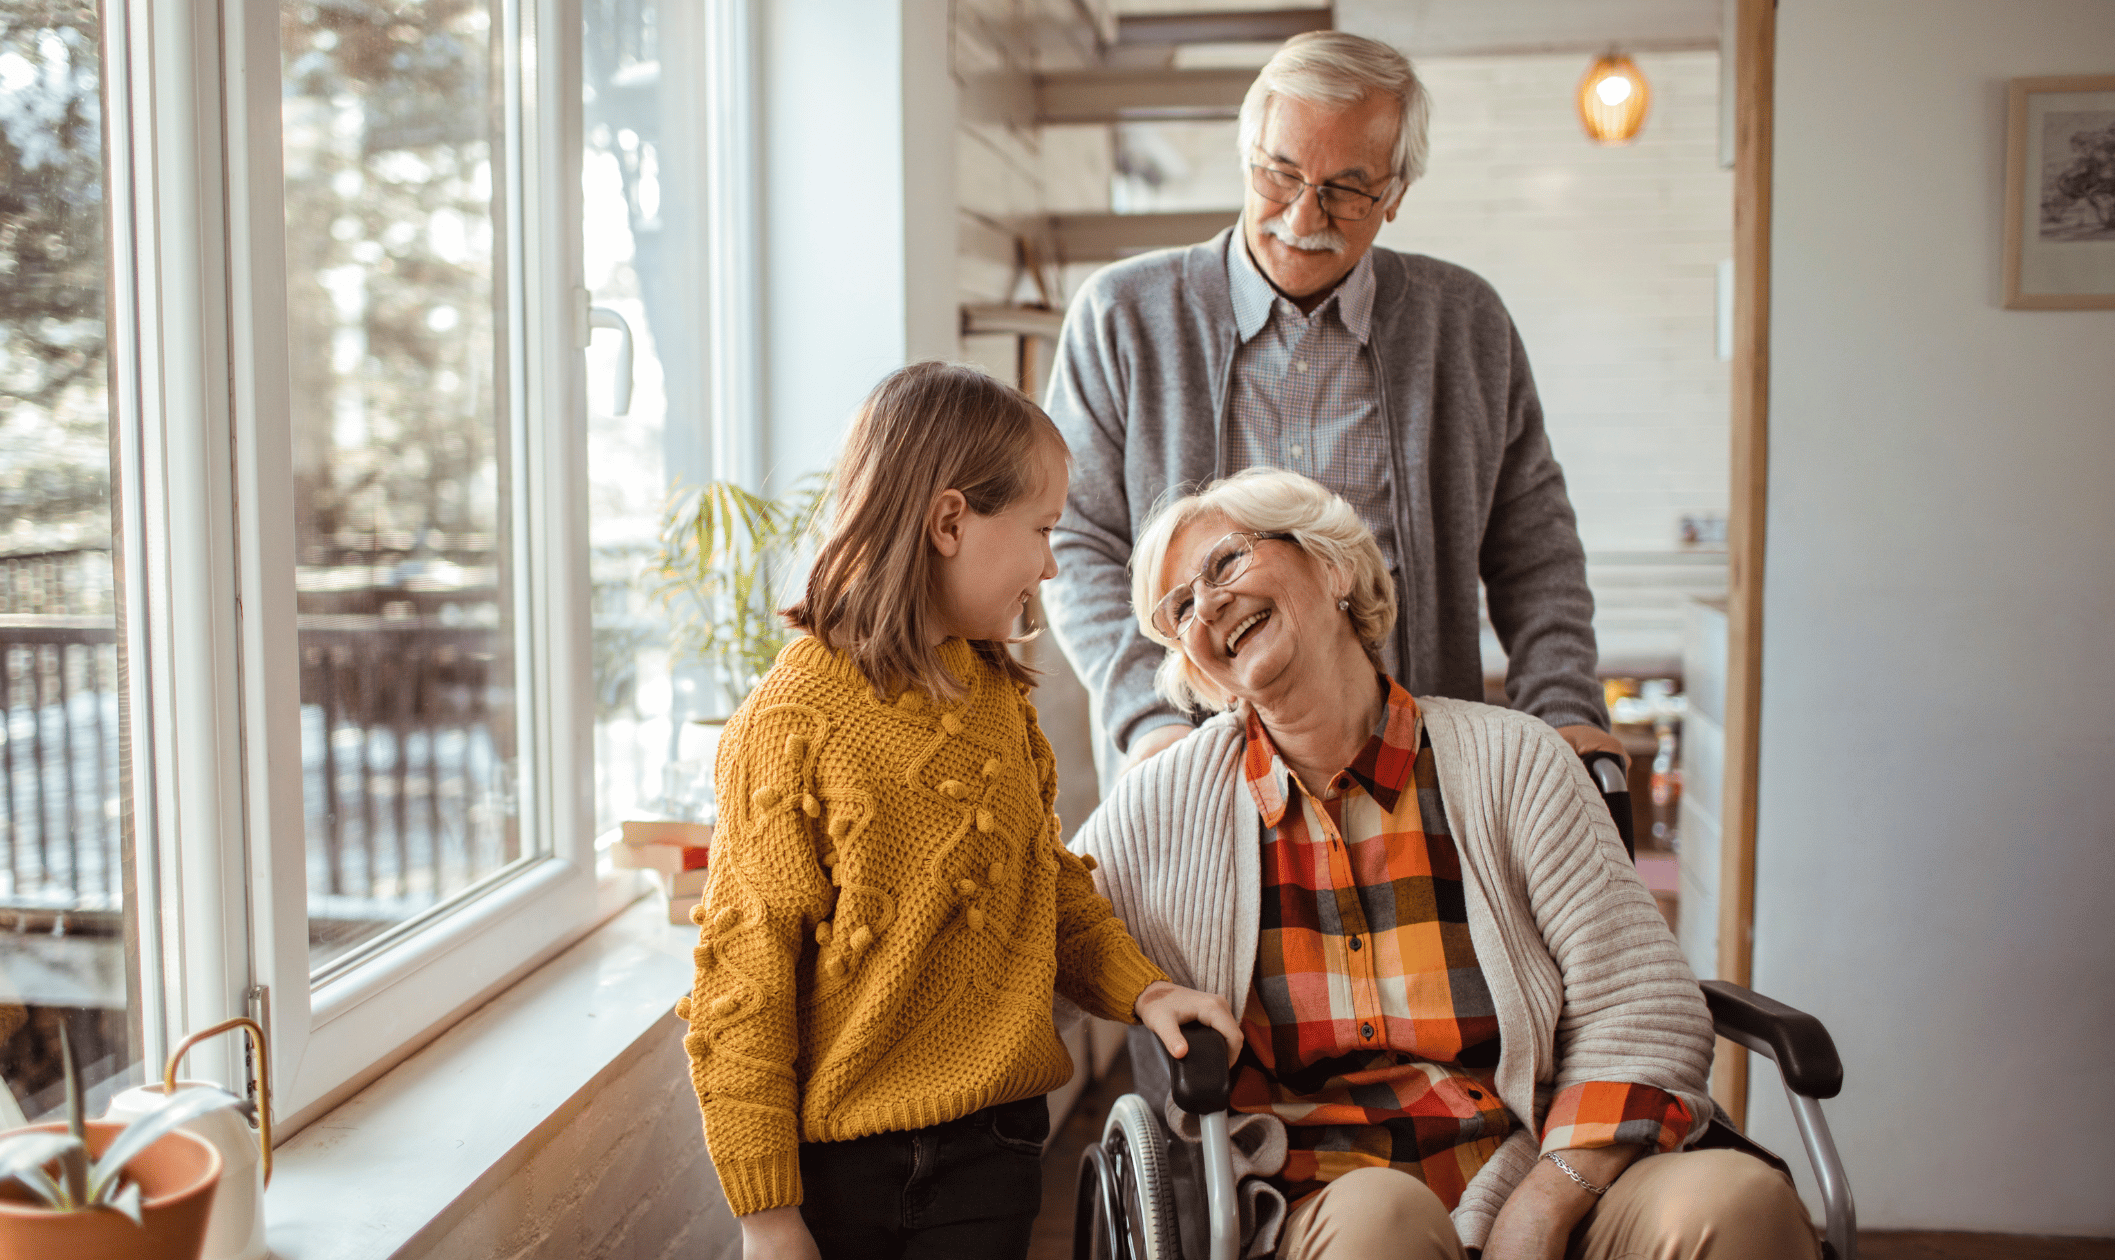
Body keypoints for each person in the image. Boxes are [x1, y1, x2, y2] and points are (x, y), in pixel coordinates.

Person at [1074, 468, 1816, 1260]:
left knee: (1739, 1206)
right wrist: (1137, 988)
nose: (1208, 605)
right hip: (1330, 1203)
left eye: (1225, 564)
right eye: (1179, 607)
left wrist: (1540, 1211)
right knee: (1383, 1226)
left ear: (1332, 567)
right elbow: (1039, 920)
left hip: (1547, 1167)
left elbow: (1640, 1007)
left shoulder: (1514, 762)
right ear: (1195, 666)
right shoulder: (1165, 805)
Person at [679, 361, 1243, 1260]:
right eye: (1043, 530)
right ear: (950, 522)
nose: (1053, 563)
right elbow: (742, 988)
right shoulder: (787, 726)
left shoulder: (995, 701)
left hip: (995, 1149)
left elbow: (1044, 890)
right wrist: (766, 1215)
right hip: (838, 1173)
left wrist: (1147, 988)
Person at [1043, 30, 1622, 784]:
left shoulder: (1466, 323)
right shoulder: (1120, 316)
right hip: (1200, 771)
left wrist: (1564, 703)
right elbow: (1076, 540)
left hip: (1417, 773)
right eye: (1280, 175)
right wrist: (1147, 720)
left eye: (1346, 190)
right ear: (1247, 157)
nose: (1304, 216)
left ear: (1395, 195)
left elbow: (1535, 547)